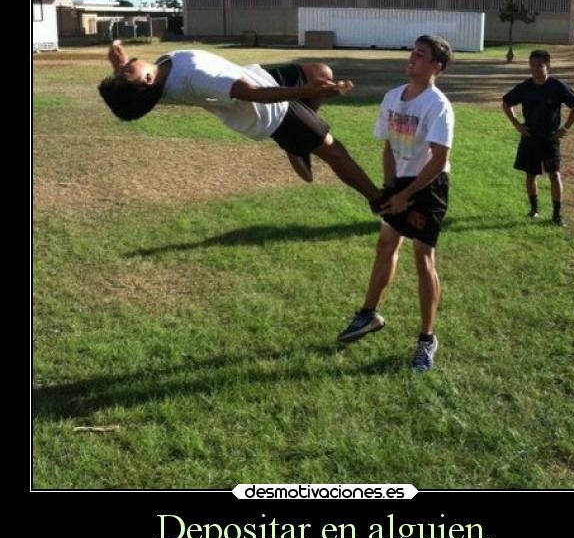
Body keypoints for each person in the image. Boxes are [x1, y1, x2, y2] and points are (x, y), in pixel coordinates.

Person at [98, 41, 383, 207]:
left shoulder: (154, 82)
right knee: (335, 151)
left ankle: (297, 147)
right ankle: (380, 202)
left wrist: (120, 65)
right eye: (126, 72)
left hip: (260, 78)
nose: (125, 68)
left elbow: (132, 95)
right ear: (146, 80)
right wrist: (312, 91)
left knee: (320, 71)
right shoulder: (194, 78)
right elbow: (252, 94)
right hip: (271, 111)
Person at [337, 36, 454, 373]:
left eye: (421, 55)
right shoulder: (392, 97)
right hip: (399, 182)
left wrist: (407, 195)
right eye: (412, 52)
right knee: (386, 245)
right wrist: (390, 189)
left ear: (436, 67)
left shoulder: (437, 104)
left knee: (423, 257)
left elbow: (439, 158)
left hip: (429, 185)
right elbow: (388, 145)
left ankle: (426, 339)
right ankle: (368, 315)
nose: (412, 58)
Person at [502, 49, 574, 227]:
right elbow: (506, 103)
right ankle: (534, 209)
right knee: (531, 175)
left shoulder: (557, 87)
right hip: (530, 137)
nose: (536, 69)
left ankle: (556, 215)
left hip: (550, 139)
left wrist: (565, 128)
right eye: (532, 65)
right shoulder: (525, 87)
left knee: (554, 175)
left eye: (540, 65)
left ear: (548, 66)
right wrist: (517, 125)